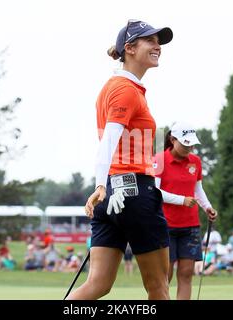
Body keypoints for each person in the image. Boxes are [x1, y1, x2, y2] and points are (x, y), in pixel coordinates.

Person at [69, 20, 174, 300]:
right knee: (159, 286)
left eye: (158, 41)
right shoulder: (125, 89)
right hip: (134, 192)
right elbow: (107, 143)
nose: (157, 46)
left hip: (112, 196)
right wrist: (99, 186)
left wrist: (104, 188)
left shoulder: (117, 87)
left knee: (97, 285)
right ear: (129, 48)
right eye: (149, 41)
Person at [153, 123, 217, 300]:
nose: (190, 148)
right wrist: (181, 200)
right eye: (185, 144)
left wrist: (207, 207)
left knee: (187, 273)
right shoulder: (159, 159)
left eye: (192, 144)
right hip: (165, 224)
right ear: (172, 140)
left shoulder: (195, 161)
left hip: (190, 225)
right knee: (166, 274)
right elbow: (155, 192)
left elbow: (198, 190)